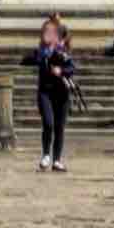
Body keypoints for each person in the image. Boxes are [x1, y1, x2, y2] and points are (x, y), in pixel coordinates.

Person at [28, 17, 76, 171]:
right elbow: (31, 60)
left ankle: (57, 160)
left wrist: (61, 70)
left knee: (59, 127)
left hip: (62, 94)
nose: (46, 34)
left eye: (50, 32)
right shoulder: (41, 52)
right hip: (45, 93)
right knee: (48, 123)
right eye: (45, 32)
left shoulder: (63, 52)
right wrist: (42, 57)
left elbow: (72, 69)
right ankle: (46, 155)